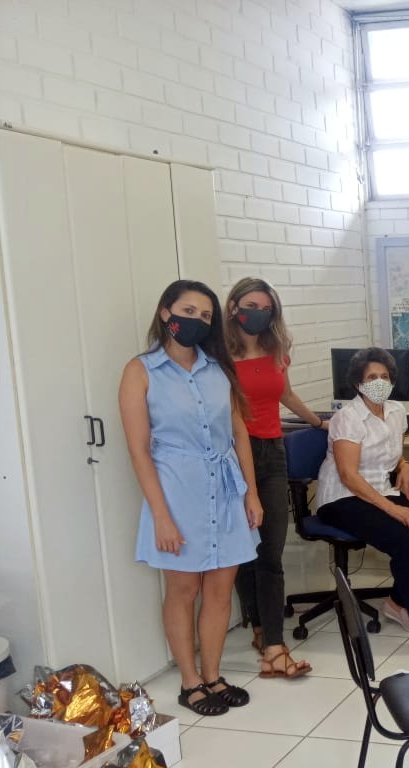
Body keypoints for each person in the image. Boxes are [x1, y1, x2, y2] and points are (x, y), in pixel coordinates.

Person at [119, 280, 262, 717]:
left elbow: (238, 432)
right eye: (188, 311)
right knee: (183, 588)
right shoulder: (140, 370)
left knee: (220, 590)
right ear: (165, 313)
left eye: (205, 316)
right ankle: (190, 681)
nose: (196, 321)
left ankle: (213, 674)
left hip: (226, 487)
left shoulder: (218, 367)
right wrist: (161, 516)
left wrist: (251, 494)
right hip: (176, 489)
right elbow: (139, 449)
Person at [224, 277, 326, 679]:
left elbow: (285, 394)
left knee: (270, 550)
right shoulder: (219, 357)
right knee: (243, 551)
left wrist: (320, 422)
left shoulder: (275, 350)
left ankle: (273, 643)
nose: (259, 314)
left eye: (266, 308)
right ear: (233, 307)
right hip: (233, 455)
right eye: (252, 305)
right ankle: (262, 630)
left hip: (272, 451)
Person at [315, 348, 409, 653]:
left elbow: (393, 458)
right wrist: (393, 509)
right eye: (372, 377)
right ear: (358, 383)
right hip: (342, 498)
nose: (379, 382)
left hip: (380, 490)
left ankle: (398, 602)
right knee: (404, 537)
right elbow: (348, 475)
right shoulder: (348, 417)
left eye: (384, 376)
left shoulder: (396, 411)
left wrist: (406, 466)